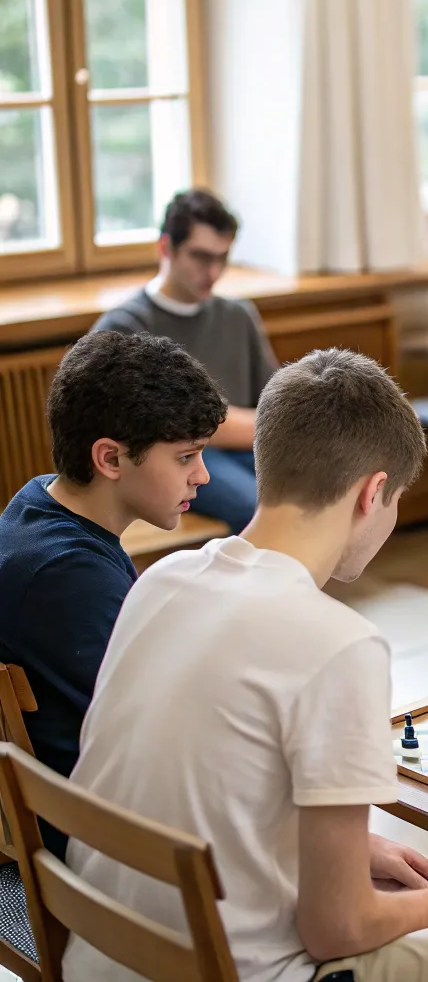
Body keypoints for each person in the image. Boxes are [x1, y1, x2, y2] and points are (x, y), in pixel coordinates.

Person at [63, 348, 428, 982]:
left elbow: (210, 792)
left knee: (410, 851)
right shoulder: (339, 644)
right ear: (373, 493)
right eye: (396, 499)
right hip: (244, 971)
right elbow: (336, 931)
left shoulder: (164, 577)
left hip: (102, 957)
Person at [0, 331, 226, 858]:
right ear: (110, 458)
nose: (203, 474)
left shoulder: (36, 504)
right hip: (107, 845)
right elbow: (163, 741)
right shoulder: (68, 576)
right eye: (186, 456)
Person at [93, 188, 278, 534]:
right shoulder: (125, 328)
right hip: (178, 461)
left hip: (247, 450)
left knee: (312, 488)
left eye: (222, 258)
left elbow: (275, 398)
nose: (213, 271)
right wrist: (266, 427)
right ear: (166, 248)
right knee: (260, 507)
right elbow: (175, 429)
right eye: (201, 257)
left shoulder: (239, 315)